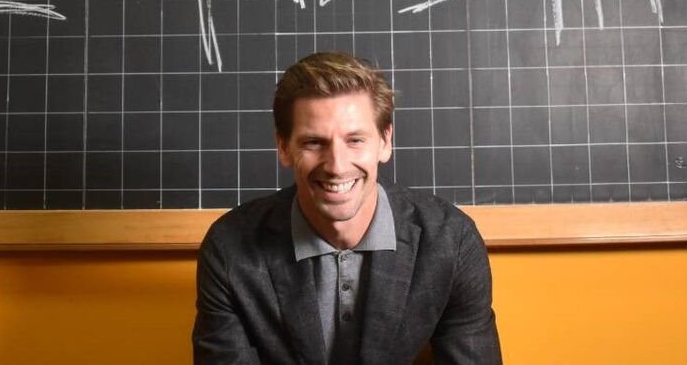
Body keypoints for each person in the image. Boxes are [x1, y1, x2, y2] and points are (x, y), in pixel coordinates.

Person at [193, 51, 502, 364]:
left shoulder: (451, 240)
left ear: (385, 141)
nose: (337, 166)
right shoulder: (229, 248)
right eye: (314, 142)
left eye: (355, 140)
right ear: (283, 147)